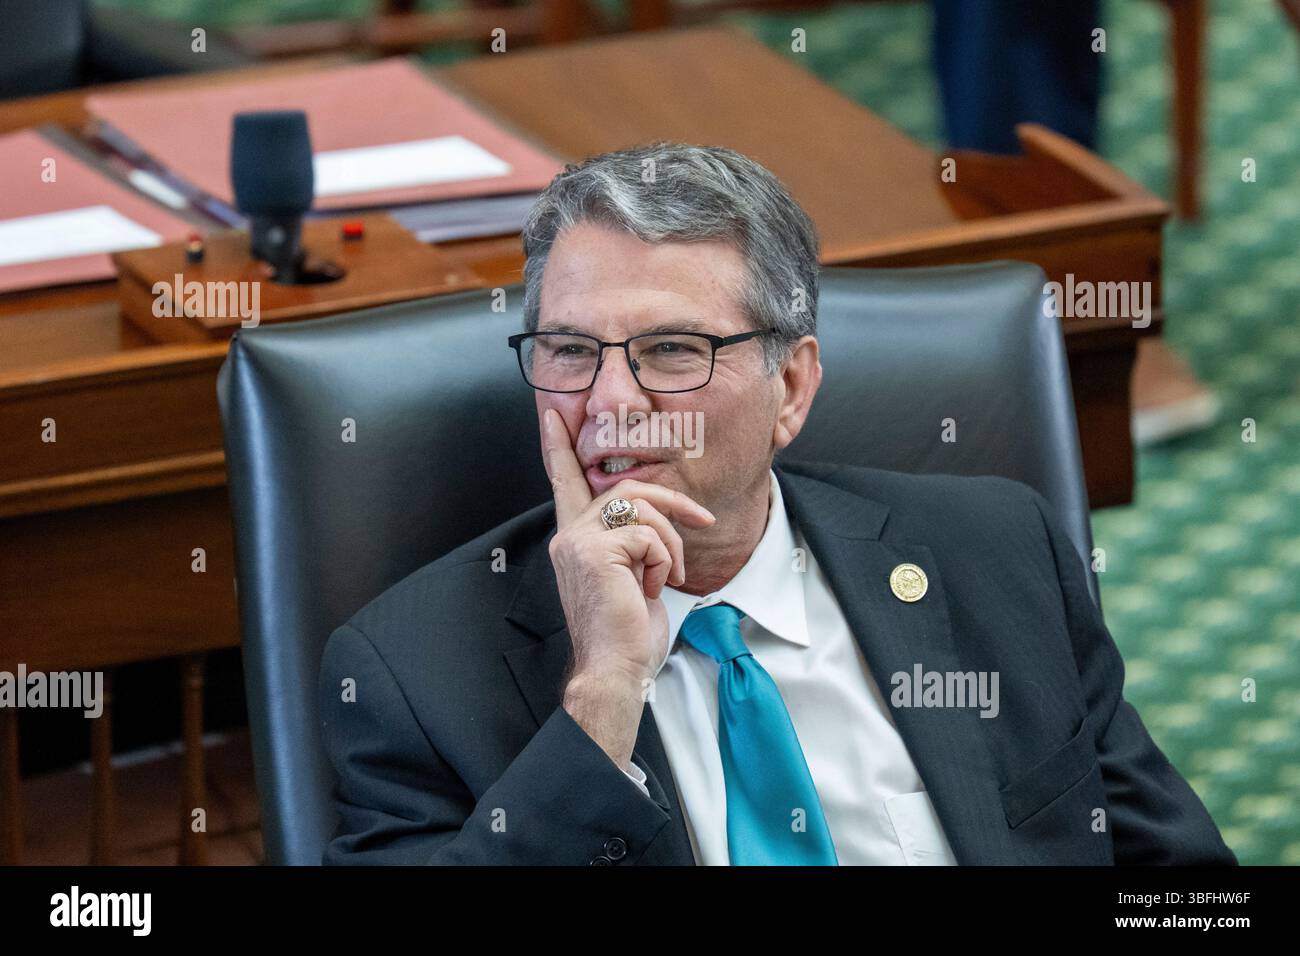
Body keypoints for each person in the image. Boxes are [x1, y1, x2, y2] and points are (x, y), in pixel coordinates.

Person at [318, 142, 1234, 866]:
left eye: (672, 350)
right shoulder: (410, 676)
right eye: (567, 350)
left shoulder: (997, 553)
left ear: (789, 388)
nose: (608, 404)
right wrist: (601, 703)